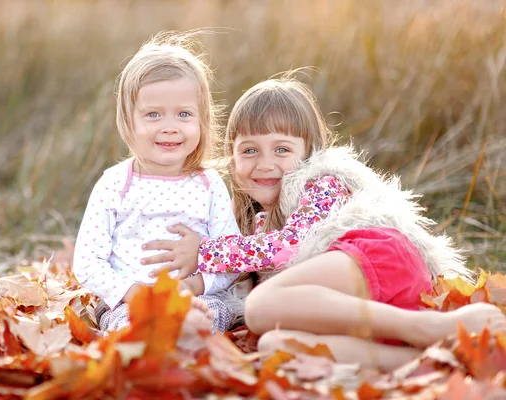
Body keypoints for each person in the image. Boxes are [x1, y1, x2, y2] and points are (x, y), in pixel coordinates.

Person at [142, 75, 506, 370]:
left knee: (261, 308)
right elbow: (254, 283)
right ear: (232, 163)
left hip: (377, 257)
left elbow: (287, 249)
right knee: (275, 345)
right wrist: (190, 289)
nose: (265, 163)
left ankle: (428, 327)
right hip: (365, 310)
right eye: (249, 150)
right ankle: (424, 363)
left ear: (309, 152)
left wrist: (205, 252)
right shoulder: (258, 224)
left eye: (282, 149)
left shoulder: (323, 183)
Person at [73, 32, 242, 336]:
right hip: (129, 301)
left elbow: (229, 256)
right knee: (132, 327)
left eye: (184, 114)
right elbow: (88, 262)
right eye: (153, 114)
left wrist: (195, 285)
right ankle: (146, 350)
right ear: (128, 122)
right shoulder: (116, 184)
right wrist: (137, 293)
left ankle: (188, 343)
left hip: (197, 297)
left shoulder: (208, 184)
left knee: (210, 317)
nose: (170, 127)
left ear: (201, 122)